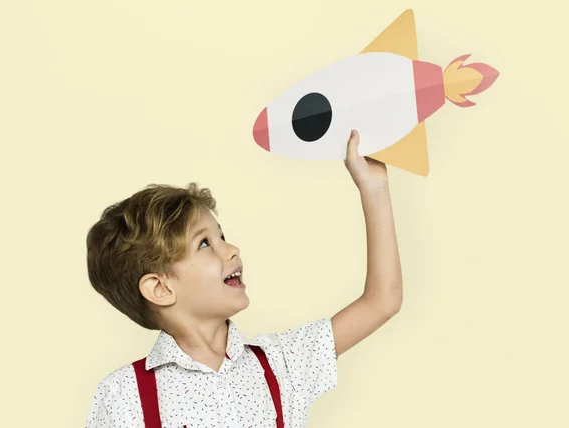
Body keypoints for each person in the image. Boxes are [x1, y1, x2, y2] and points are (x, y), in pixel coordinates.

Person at [84, 130, 403, 427]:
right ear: (161, 288)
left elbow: (381, 301)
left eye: (222, 236)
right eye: (205, 243)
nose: (233, 249)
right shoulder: (122, 396)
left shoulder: (282, 362)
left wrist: (374, 189)